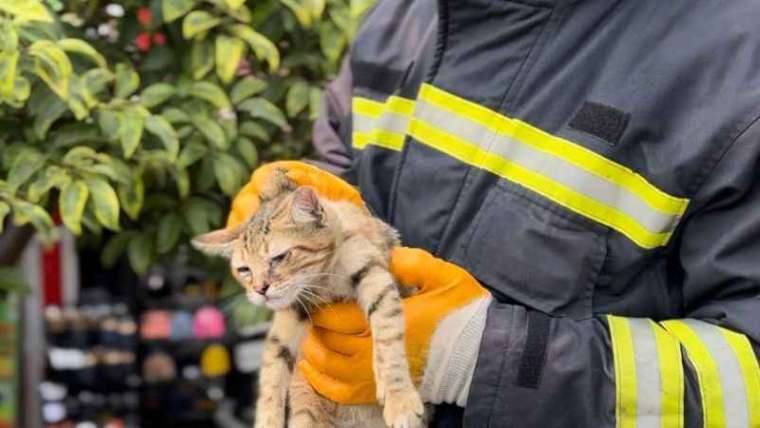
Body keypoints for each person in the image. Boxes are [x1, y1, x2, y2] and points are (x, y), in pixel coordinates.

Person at [228, 1, 760, 427]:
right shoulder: (402, 18)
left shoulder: (736, 65)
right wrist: (300, 204)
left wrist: (478, 358)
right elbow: (344, 154)